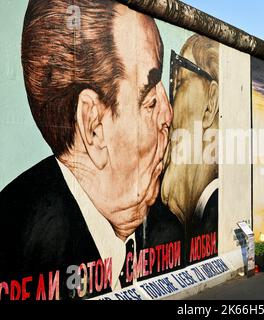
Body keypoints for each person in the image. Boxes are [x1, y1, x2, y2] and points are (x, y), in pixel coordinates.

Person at [0, 0, 174, 300]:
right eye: (150, 101)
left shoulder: (168, 230)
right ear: (93, 126)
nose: (168, 115)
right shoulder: (14, 243)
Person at [160, 35, 219, 264]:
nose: (167, 107)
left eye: (179, 80)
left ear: (210, 103)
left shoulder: (214, 212)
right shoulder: (190, 215)